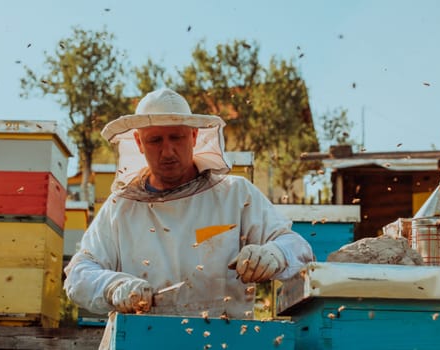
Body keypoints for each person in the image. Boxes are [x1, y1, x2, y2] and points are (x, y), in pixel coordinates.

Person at [63, 87, 314, 348]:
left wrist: (274, 253)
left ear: (194, 136)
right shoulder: (120, 208)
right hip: (143, 341)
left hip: (224, 340)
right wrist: (113, 286)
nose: (168, 151)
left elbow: (299, 248)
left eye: (177, 137)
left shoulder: (235, 194)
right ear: (138, 143)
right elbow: (79, 274)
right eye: (155, 140)